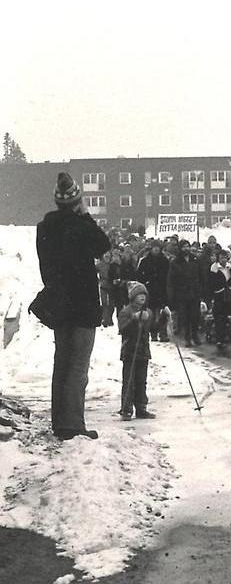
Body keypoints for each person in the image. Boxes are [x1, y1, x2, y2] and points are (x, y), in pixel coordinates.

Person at [36, 172, 112, 441]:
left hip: (59, 303)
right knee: (79, 366)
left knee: (62, 363)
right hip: (82, 304)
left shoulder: (44, 227)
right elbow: (104, 245)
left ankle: (60, 423)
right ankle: (74, 425)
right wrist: (85, 216)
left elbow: (46, 266)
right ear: (77, 201)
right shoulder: (81, 225)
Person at [118, 282, 157, 421]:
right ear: (133, 297)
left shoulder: (148, 312)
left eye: (144, 295)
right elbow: (123, 329)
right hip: (130, 351)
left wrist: (164, 318)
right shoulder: (126, 312)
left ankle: (141, 408)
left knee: (141, 381)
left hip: (143, 351)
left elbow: (154, 328)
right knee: (129, 381)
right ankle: (126, 409)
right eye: (139, 294)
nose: (142, 297)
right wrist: (134, 319)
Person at [167, 239, 202, 347]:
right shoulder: (176, 262)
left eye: (187, 246)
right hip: (182, 293)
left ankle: (195, 335)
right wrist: (172, 295)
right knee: (185, 316)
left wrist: (200, 289)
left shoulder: (195, 260)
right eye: (184, 247)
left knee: (195, 316)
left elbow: (201, 275)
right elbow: (171, 280)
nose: (186, 249)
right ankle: (187, 337)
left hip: (194, 292)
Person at [137, 243, 171, 342]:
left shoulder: (165, 261)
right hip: (149, 290)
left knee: (163, 312)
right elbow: (139, 276)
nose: (156, 250)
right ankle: (153, 333)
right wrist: (144, 284)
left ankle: (163, 333)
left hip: (162, 289)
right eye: (154, 248)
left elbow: (168, 275)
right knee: (150, 313)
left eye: (158, 248)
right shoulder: (145, 261)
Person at [209, 249, 231, 348]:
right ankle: (219, 339)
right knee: (218, 317)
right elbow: (212, 283)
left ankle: (225, 336)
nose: (223, 260)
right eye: (221, 258)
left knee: (226, 317)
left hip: (228, 295)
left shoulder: (230, 267)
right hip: (219, 294)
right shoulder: (214, 268)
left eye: (225, 257)